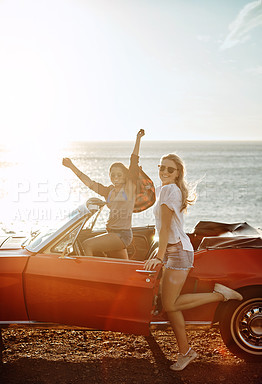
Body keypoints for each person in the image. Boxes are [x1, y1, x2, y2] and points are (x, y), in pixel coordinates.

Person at [145, 153, 243, 371]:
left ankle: (220, 295)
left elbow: (164, 228)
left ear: (178, 172)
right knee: (171, 306)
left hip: (177, 251)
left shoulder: (169, 190)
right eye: (162, 167)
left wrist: (159, 257)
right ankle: (186, 352)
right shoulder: (164, 190)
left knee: (171, 305)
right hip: (175, 249)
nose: (164, 172)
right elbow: (162, 227)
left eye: (170, 169)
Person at [62, 129, 145, 259]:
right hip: (112, 234)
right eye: (113, 175)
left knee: (87, 245)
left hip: (122, 235)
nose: (115, 177)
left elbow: (134, 162)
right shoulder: (109, 191)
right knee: (121, 269)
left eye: (119, 174)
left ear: (125, 177)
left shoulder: (129, 189)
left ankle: (91, 277)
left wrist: (138, 138)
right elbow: (89, 182)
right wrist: (71, 166)